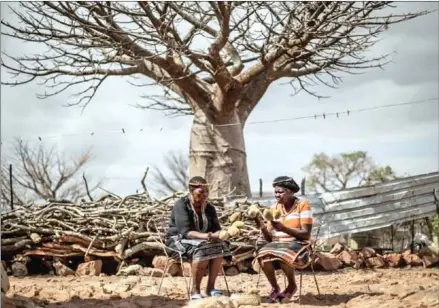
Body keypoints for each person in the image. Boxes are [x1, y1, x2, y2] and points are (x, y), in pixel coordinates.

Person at [165, 176, 232, 300]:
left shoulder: (210, 208)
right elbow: (186, 232)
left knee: (221, 246)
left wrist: (221, 235)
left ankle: (210, 288)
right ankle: (195, 290)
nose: (204, 195)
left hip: (202, 241)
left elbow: (217, 227)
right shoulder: (182, 205)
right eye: (201, 192)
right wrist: (208, 236)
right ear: (191, 190)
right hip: (177, 241)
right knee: (202, 249)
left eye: (207, 192)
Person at [254, 176, 313, 303]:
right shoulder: (274, 208)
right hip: (277, 245)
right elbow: (269, 240)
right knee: (263, 255)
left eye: (280, 192)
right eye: (275, 192)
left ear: (291, 192)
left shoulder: (302, 205)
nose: (277, 195)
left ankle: (292, 286)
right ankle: (275, 287)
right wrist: (263, 227)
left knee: (283, 253)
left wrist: (284, 229)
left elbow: (306, 234)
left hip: (299, 245)